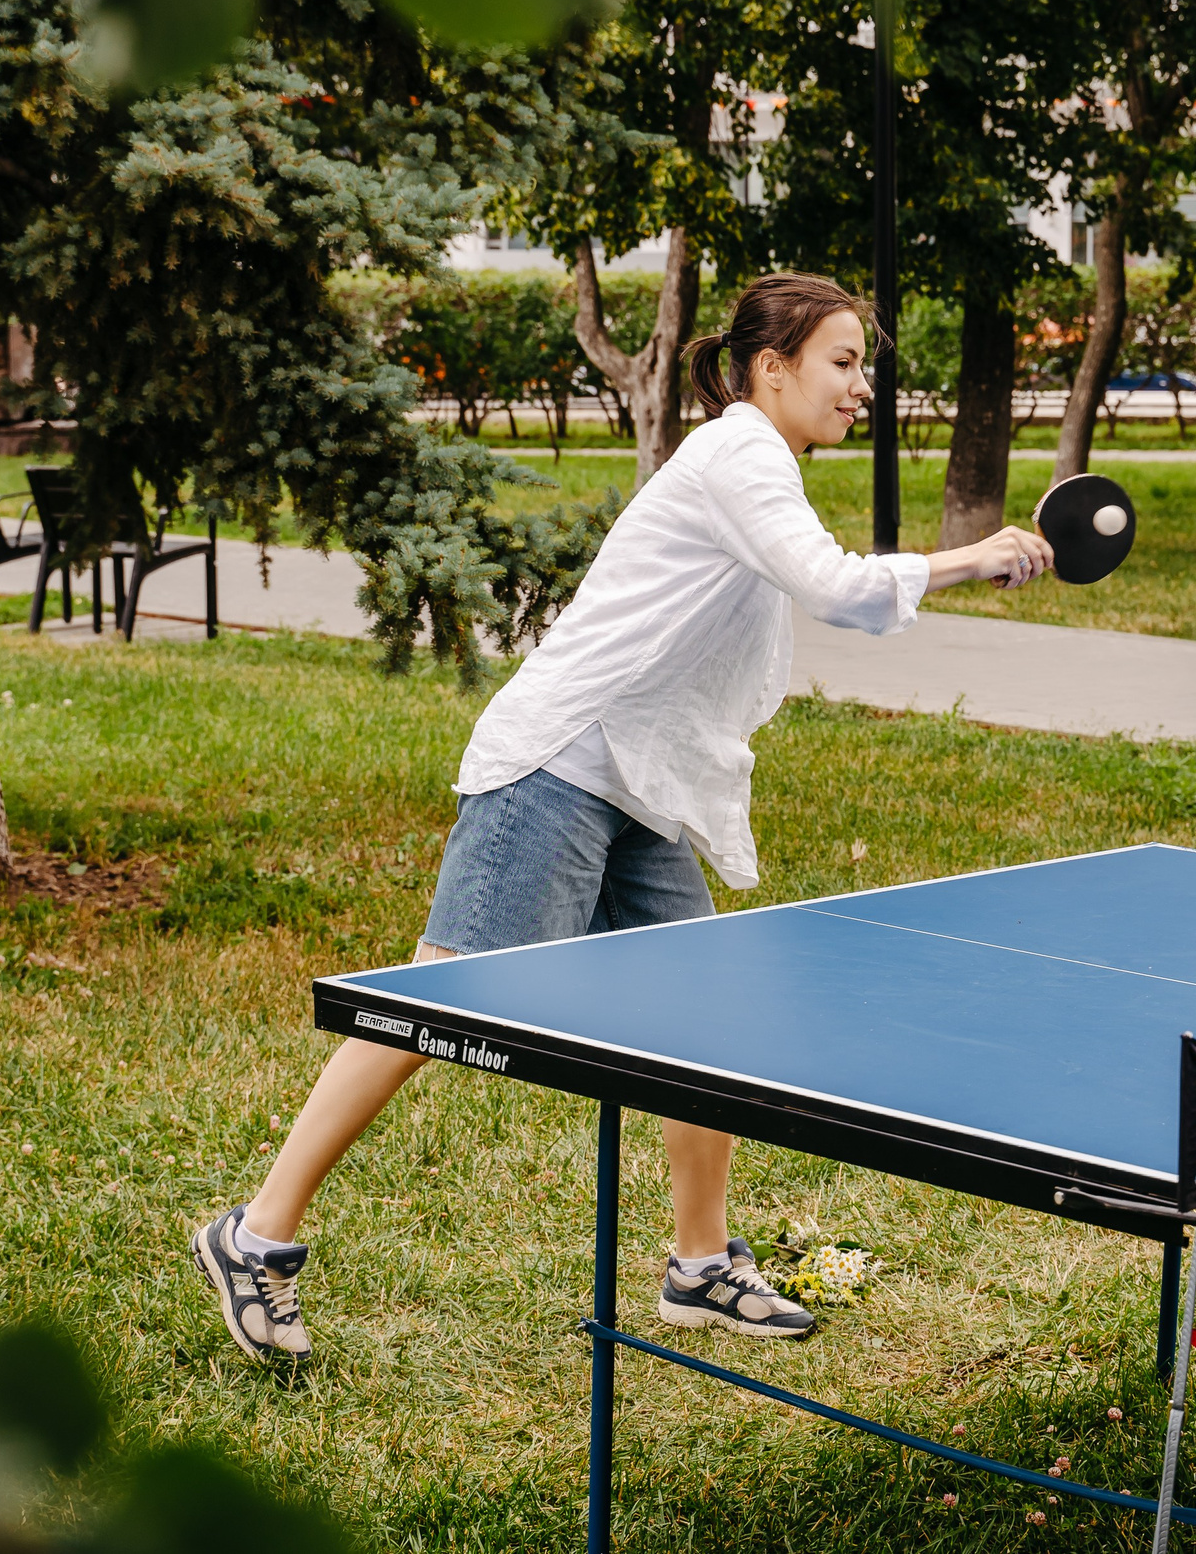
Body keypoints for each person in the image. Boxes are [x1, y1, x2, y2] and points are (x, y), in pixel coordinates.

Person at [193, 271, 1055, 1363]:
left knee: (708, 1018)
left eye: (862, 366)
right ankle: (256, 1234)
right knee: (437, 1002)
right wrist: (968, 554)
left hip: (638, 780)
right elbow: (830, 587)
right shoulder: (738, 451)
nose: (861, 386)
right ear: (770, 367)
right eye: (842, 363)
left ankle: (699, 1268)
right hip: (563, 760)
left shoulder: (760, 463)